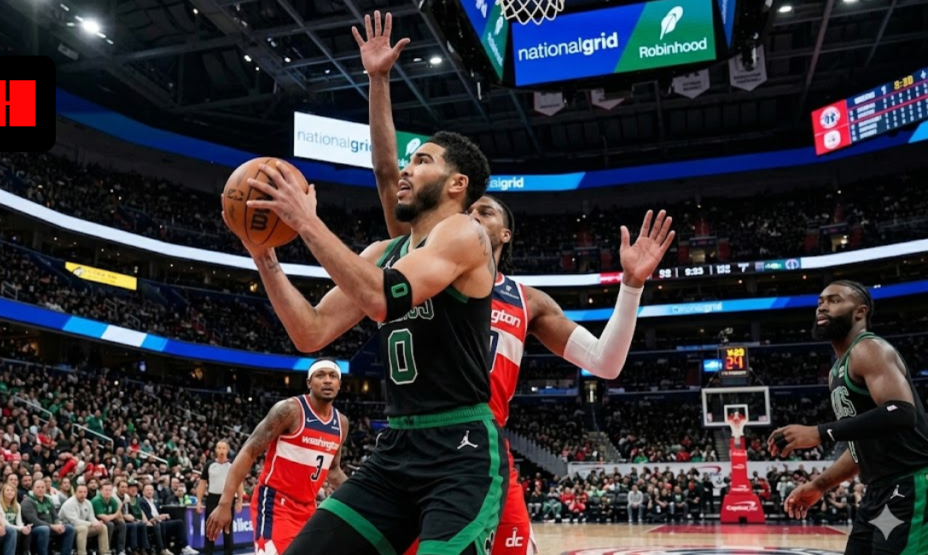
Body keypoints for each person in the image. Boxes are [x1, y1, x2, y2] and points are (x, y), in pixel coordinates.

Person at [356, 11, 674, 554]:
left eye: (485, 211)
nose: (470, 217)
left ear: (504, 233)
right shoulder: (420, 251)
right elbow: (389, 174)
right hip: (417, 444)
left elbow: (606, 364)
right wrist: (379, 83)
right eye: (467, 207)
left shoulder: (528, 300)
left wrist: (631, 286)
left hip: (479, 453)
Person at [220, 93, 503, 555]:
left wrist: (307, 222)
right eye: (409, 160)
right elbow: (309, 331)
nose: (407, 170)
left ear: (457, 184)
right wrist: (263, 254)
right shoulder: (381, 253)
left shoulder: (464, 233)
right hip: (397, 449)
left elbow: (379, 298)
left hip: (460, 451)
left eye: (423, 161)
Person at [770, 280, 928, 554]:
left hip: (912, 483)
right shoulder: (836, 372)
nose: (822, 307)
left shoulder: (869, 349)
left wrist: (820, 432)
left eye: (834, 300)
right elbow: (860, 449)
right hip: (879, 491)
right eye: (820, 302)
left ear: (860, 312)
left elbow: (902, 412)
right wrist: (819, 485)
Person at [205, 360, 347, 555]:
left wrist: (361, 498)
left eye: (333, 376)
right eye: (320, 375)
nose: (327, 380)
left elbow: (333, 470)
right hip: (275, 504)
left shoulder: (341, 423)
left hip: (308, 508)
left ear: (340, 384)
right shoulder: (290, 410)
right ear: (309, 382)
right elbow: (249, 451)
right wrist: (225, 503)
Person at [195, 442, 242, 555]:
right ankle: (208, 552)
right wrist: (199, 501)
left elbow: (239, 483)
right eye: (219, 448)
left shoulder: (233, 465)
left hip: (228, 499)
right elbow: (202, 484)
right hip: (212, 498)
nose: (221, 450)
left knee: (228, 529)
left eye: (224, 448)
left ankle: (228, 553)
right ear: (216, 450)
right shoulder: (209, 465)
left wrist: (240, 500)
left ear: (227, 450)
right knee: (210, 527)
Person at [20, 480, 74, 555]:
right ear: (33, 489)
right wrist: (52, 526)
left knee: (69, 528)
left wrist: (58, 523)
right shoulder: (27, 502)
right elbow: (34, 520)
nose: (40, 489)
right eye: (38, 487)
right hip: (34, 529)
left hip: (51, 527)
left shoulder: (48, 500)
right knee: (44, 529)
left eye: (42, 487)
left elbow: (55, 516)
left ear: (45, 489)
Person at [138, 485, 191, 555]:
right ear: (143, 492)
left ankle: (184, 547)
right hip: (152, 523)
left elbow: (159, 512)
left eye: (151, 490)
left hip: (161, 521)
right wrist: (159, 517)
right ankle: (162, 549)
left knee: (179, 523)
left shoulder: (155, 501)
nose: (149, 492)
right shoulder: (141, 501)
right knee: (160, 524)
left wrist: (164, 515)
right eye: (147, 490)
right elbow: (147, 517)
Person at [58, 485, 109, 555]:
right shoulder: (69, 503)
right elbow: (75, 522)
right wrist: (91, 524)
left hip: (82, 525)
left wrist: (97, 523)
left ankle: (104, 552)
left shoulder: (88, 503)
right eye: (80, 492)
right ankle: (82, 553)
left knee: (103, 527)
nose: (83, 494)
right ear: (75, 493)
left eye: (85, 492)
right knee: (83, 528)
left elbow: (91, 517)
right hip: (67, 527)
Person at [90, 484, 124, 555]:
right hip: (95, 524)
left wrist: (118, 514)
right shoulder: (97, 500)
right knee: (110, 525)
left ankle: (120, 550)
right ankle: (105, 550)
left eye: (110, 490)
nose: (108, 492)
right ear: (101, 491)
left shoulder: (112, 500)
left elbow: (119, 517)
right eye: (106, 490)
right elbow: (105, 518)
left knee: (121, 524)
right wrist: (118, 511)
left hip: (107, 522)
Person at [0, 484, 30, 555]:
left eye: (12, 490)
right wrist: (20, 528)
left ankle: (26, 552)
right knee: (14, 532)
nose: (10, 492)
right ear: (3, 492)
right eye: (7, 490)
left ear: (15, 493)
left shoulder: (17, 505)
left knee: (26, 532)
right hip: (3, 529)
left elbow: (19, 522)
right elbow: (5, 523)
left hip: (14, 528)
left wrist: (24, 528)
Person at [117, 482, 148, 555]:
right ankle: (133, 549)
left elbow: (134, 512)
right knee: (134, 525)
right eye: (122, 487)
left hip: (129, 519)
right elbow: (119, 511)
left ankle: (142, 548)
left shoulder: (127, 498)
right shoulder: (116, 498)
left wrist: (137, 519)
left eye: (125, 487)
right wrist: (125, 516)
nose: (124, 489)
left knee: (142, 524)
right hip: (120, 521)